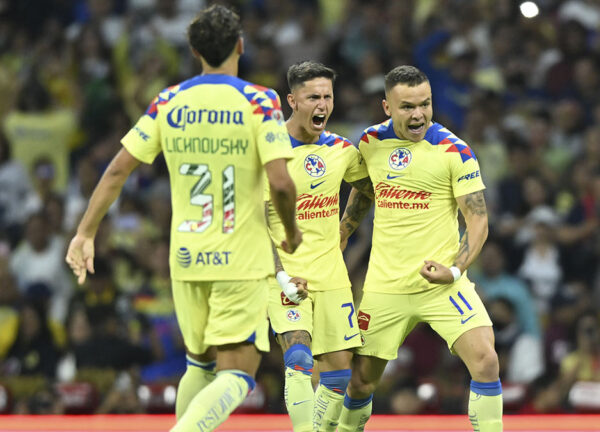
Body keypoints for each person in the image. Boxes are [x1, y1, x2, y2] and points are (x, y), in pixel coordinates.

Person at [64, 5, 301, 431]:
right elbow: (282, 184)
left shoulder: (168, 101)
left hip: (186, 258)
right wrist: (291, 230)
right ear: (240, 47)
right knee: (238, 373)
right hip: (239, 260)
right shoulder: (259, 101)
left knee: (200, 362)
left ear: (194, 50)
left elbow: (117, 169)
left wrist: (86, 232)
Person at [338, 65, 502, 431]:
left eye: (425, 104)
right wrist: (344, 230)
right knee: (360, 381)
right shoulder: (369, 142)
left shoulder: (454, 150)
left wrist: (455, 270)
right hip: (385, 287)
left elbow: (477, 221)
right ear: (387, 107)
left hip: (442, 284)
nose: (418, 114)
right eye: (407, 106)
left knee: (486, 361)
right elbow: (365, 190)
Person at [265, 61, 373, 432]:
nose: (323, 105)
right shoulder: (269, 153)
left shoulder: (341, 149)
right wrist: (279, 273)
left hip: (331, 272)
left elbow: (368, 187)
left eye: (328, 96)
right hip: (283, 271)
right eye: (313, 97)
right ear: (292, 100)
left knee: (340, 375)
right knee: (298, 357)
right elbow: (252, 221)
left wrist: (346, 227)